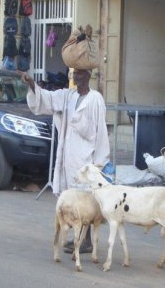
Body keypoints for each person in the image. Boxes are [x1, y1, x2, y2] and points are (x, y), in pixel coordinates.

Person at [19, 68, 110, 254]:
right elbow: (46, 99)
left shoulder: (95, 99)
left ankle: (86, 240)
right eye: (74, 73)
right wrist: (31, 84)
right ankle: (79, 238)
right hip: (68, 154)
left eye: (80, 74)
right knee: (73, 197)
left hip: (86, 155)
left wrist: (99, 160)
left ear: (88, 76)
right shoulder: (68, 96)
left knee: (86, 198)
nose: (76, 77)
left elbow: (99, 130)